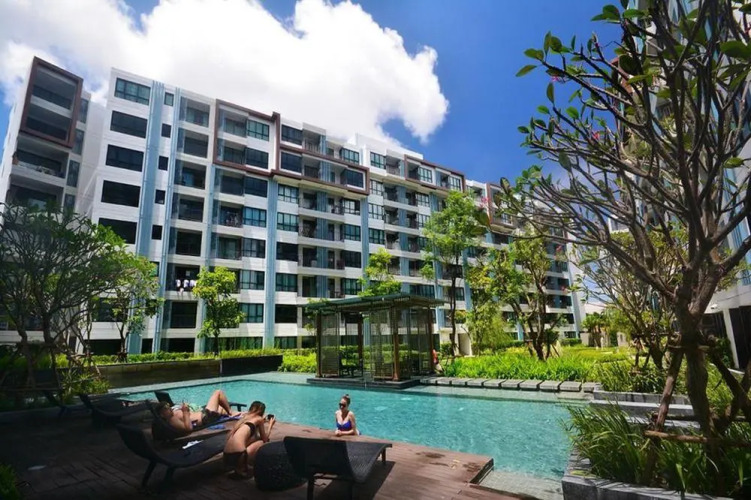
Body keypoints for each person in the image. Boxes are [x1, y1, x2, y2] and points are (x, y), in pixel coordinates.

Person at [224, 401, 275, 479]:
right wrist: (270, 425)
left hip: (227, 457)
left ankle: (239, 467)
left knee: (253, 439)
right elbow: (265, 439)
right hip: (239, 455)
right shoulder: (259, 419)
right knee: (262, 442)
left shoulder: (244, 418)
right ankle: (243, 468)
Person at [157, 389, 238, 432]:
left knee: (221, 407)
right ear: (162, 415)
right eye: (165, 408)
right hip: (206, 418)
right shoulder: (171, 419)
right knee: (218, 393)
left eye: (168, 406)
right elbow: (188, 428)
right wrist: (185, 412)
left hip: (205, 415)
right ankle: (231, 413)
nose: (169, 408)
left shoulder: (172, 416)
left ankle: (237, 413)